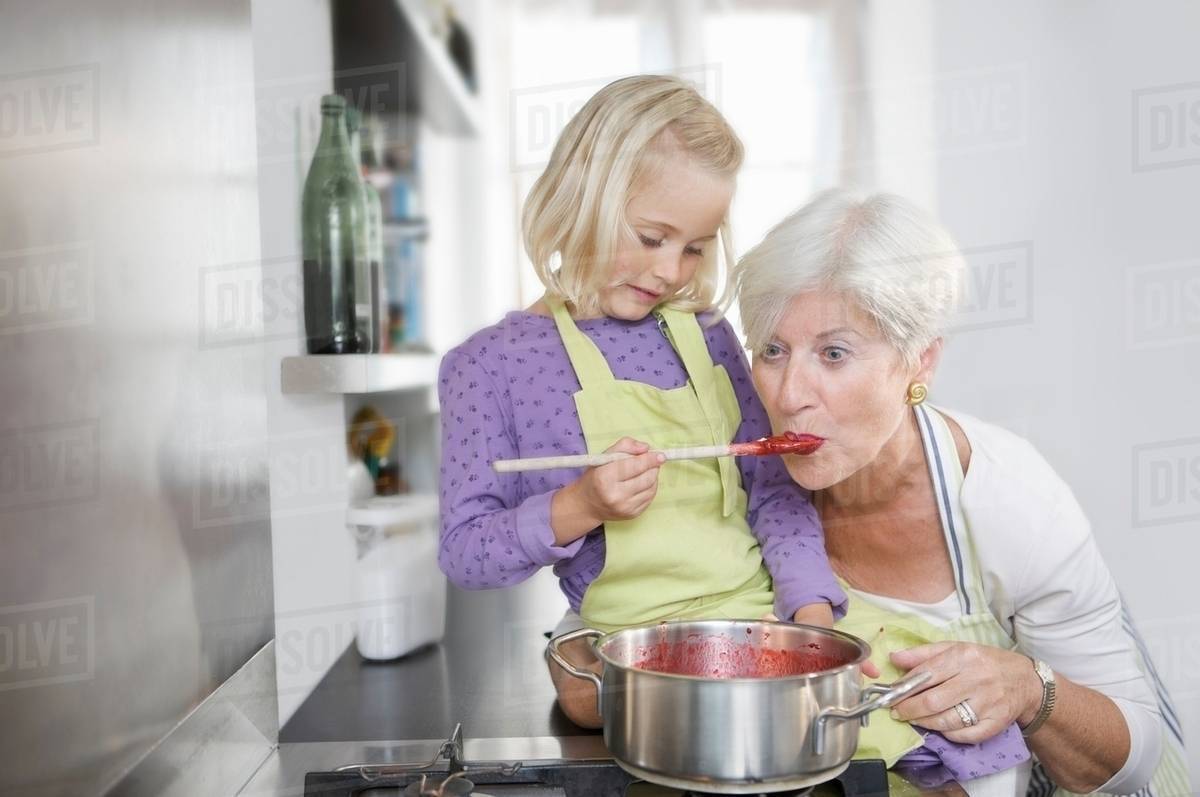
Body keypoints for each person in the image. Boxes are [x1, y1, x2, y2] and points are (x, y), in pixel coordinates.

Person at [736, 188, 1189, 796]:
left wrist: (1029, 689)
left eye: (834, 353)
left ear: (919, 362)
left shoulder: (1012, 502)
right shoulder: (739, 480)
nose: (790, 395)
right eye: (772, 350)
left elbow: (1130, 763)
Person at [436, 76, 846, 727]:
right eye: (652, 237)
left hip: (750, 617)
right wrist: (581, 505)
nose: (670, 271)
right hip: (619, 636)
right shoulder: (489, 366)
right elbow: (466, 554)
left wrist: (811, 618)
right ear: (583, 199)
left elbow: (773, 493)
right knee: (591, 700)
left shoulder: (710, 335)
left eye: (695, 248)